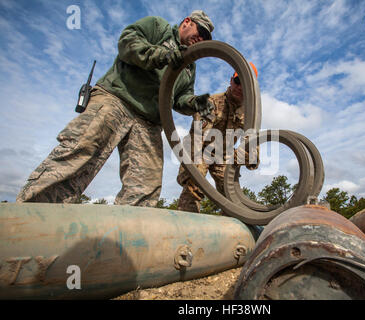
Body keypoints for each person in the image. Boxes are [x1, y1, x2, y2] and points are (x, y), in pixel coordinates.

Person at [16, 10, 215, 207]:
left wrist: (194, 103)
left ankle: (126, 235)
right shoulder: (158, 27)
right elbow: (127, 43)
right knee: (78, 154)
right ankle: (26, 217)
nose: (202, 38)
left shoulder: (189, 67)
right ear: (187, 22)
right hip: (116, 99)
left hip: (149, 122)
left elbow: (180, 97)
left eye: (206, 38)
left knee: (145, 188)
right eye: (201, 31)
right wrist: (162, 55)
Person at [176, 62, 259, 213]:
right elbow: (197, 138)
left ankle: (230, 227)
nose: (240, 87)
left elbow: (252, 144)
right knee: (195, 184)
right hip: (201, 149)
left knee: (232, 196)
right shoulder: (212, 102)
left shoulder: (249, 113)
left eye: (245, 83)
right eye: (238, 81)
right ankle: (185, 223)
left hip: (224, 153)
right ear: (231, 81)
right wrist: (191, 170)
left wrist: (249, 156)